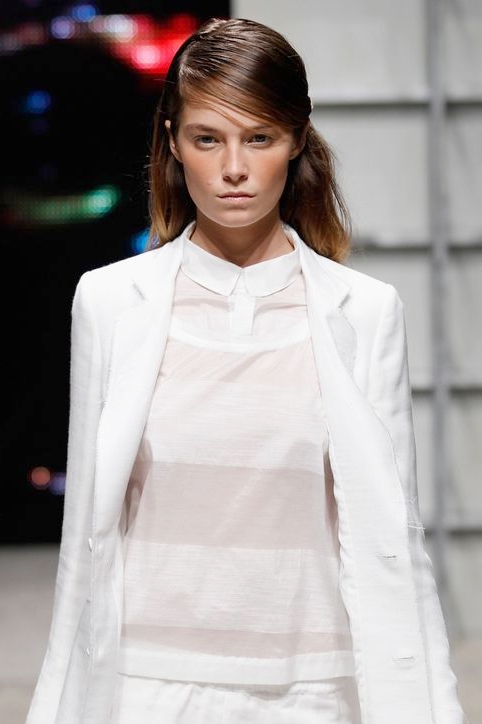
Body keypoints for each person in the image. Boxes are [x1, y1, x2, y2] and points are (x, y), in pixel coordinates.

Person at [27, 17, 465, 724]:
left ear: (296, 139)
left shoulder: (365, 312)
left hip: (311, 689)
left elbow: (393, 531)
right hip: (146, 686)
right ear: (173, 143)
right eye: (208, 139)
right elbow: (86, 531)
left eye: (259, 137)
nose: (234, 167)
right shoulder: (110, 302)